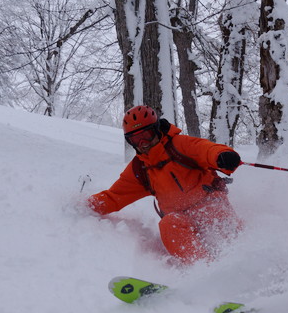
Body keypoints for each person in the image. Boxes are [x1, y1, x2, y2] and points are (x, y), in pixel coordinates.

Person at [87, 105, 243, 264]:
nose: (142, 143)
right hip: (181, 221)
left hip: (210, 205)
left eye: (146, 135)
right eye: (135, 139)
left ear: (156, 129)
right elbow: (114, 196)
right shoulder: (140, 169)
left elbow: (206, 149)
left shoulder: (180, 145)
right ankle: (205, 270)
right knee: (168, 224)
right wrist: (85, 206)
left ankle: (241, 257)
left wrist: (222, 156)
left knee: (212, 213)